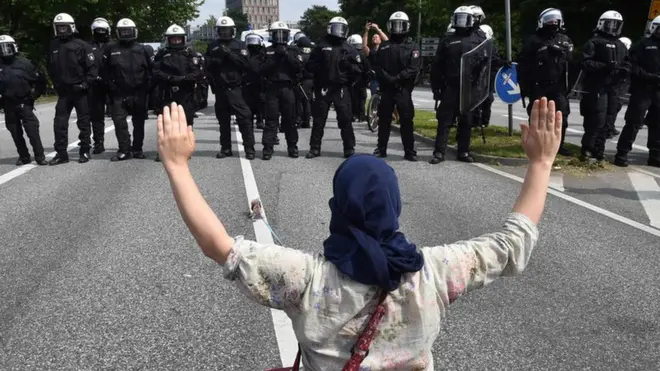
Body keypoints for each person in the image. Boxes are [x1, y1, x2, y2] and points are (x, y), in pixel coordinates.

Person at [155, 97, 560, 369]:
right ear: (395, 206)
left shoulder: (306, 279)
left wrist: (177, 165)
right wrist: (540, 163)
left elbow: (219, 246)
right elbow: (513, 242)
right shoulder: (434, 272)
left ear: (337, 208)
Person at [429, 6, 486, 164]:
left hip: (469, 86)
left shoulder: (479, 39)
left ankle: (463, 151)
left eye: (465, 18)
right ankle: (439, 152)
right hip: (451, 86)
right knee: (444, 120)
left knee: (467, 121)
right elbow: (437, 65)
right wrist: (436, 88)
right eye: (459, 18)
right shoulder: (447, 40)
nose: (461, 22)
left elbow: (488, 60)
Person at [517, 8, 573, 157]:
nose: (552, 23)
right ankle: (534, 144)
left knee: (561, 116)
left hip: (558, 86)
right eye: (549, 21)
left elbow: (571, 62)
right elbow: (523, 64)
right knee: (537, 116)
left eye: (555, 21)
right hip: (539, 85)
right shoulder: (534, 40)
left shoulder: (564, 39)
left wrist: (561, 50)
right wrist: (525, 87)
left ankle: (558, 146)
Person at [305, 16, 363, 159]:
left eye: (341, 28)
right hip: (323, 87)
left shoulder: (348, 48)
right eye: (336, 28)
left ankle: (349, 148)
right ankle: (315, 148)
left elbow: (359, 68)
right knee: (319, 120)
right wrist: (320, 69)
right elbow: (310, 66)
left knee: (345, 119)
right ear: (330, 28)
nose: (339, 31)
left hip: (342, 88)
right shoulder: (321, 45)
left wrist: (349, 66)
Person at [47, 13, 98, 165]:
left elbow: (92, 69)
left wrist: (85, 84)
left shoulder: (82, 45)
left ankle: (84, 151)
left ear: (71, 27)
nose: (62, 30)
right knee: (59, 123)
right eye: (59, 28)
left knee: (83, 122)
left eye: (64, 27)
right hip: (63, 92)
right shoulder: (53, 45)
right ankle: (61, 153)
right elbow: (50, 67)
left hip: (80, 90)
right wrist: (55, 84)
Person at [578, 11, 629, 162]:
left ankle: (599, 149)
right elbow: (585, 62)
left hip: (613, 87)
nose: (613, 28)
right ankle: (587, 148)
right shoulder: (594, 42)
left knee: (609, 119)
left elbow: (628, 62)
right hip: (597, 86)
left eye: (616, 25)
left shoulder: (620, 45)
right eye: (610, 24)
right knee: (597, 119)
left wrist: (624, 69)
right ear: (602, 24)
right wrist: (604, 66)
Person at [370, 11, 420, 161]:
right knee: (384, 120)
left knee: (406, 121)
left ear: (407, 26)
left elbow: (413, 68)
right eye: (395, 25)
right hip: (387, 89)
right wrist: (388, 79)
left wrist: (397, 78)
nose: (397, 28)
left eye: (401, 25)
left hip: (403, 90)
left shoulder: (412, 46)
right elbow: (377, 67)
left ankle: (409, 151)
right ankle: (381, 149)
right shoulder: (384, 46)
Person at [205, 16, 256, 160]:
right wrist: (218, 58)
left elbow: (246, 65)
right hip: (221, 89)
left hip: (237, 89)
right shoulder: (212, 46)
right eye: (222, 30)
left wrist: (229, 54)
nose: (224, 33)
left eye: (227, 30)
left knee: (245, 119)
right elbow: (207, 66)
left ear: (232, 30)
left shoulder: (240, 45)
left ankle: (249, 149)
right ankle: (226, 148)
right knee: (223, 121)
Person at [102, 18, 153, 161]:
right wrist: (111, 86)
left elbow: (151, 71)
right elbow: (104, 71)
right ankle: (124, 149)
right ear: (118, 32)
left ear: (134, 31)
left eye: (128, 30)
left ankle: (137, 149)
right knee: (119, 122)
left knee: (139, 122)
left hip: (139, 92)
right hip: (119, 93)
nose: (125, 33)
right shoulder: (111, 49)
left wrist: (146, 88)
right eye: (123, 31)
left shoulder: (143, 50)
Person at [614, 15, 660, 168]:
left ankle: (655, 155)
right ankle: (622, 153)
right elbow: (633, 66)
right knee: (634, 121)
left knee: (657, 124)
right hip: (643, 89)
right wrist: (650, 77)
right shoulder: (642, 45)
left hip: (659, 92)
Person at [152, 23, 202, 162]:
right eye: (172, 39)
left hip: (186, 93)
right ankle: (162, 151)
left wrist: (183, 79)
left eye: (178, 39)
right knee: (166, 123)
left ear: (183, 39)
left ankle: (186, 150)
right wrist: (169, 78)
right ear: (168, 40)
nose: (175, 41)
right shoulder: (162, 54)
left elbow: (197, 73)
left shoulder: (190, 53)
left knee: (187, 122)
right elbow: (155, 71)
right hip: (167, 92)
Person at [0, 35, 48, 166]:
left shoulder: (25, 64)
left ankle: (40, 156)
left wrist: (33, 96)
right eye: (1, 48)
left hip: (25, 102)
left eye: (7, 47)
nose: (4, 51)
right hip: (8, 105)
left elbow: (40, 81)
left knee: (32, 131)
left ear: (14, 47)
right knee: (15, 133)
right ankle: (24, 156)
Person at [259, 21, 303, 160]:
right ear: (271, 35)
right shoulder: (267, 50)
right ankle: (268, 148)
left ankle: (292, 147)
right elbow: (261, 69)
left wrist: (286, 55)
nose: (279, 37)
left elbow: (299, 68)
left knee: (290, 119)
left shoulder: (293, 50)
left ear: (287, 35)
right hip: (272, 88)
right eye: (276, 34)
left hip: (288, 88)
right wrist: (275, 57)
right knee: (271, 120)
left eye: (282, 34)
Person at [88, 17, 111, 154]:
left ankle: (125, 145)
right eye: (98, 31)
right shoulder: (87, 47)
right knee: (96, 116)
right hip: (95, 84)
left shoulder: (114, 46)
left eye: (103, 31)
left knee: (120, 115)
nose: (101, 33)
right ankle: (98, 143)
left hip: (112, 84)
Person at [605, 36, 632, 139]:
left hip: (622, 83)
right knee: (614, 106)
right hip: (618, 83)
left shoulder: (627, 56)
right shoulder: (616, 54)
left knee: (615, 106)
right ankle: (608, 128)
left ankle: (610, 127)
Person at [243, 33, 265, 130]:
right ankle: (250, 122)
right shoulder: (245, 54)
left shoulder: (262, 54)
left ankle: (259, 120)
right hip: (248, 82)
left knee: (260, 103)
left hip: (260, 83)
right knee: (249, 104)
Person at [347, 34, 370, 123]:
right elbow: (367, 68)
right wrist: (367, 80)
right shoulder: (363, 55)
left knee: (353, 98)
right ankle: (361, 116)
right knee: (362, 99)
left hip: (353, 80)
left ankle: (354, 115)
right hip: (362, 80)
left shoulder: (350, 54)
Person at [294, 34, 314, 129]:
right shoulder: (313, 55)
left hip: (302, 81)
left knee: (300, 101)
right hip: (312, 81)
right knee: (308, 101)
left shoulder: (299, 56)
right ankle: (306, 121)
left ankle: (300, 120)